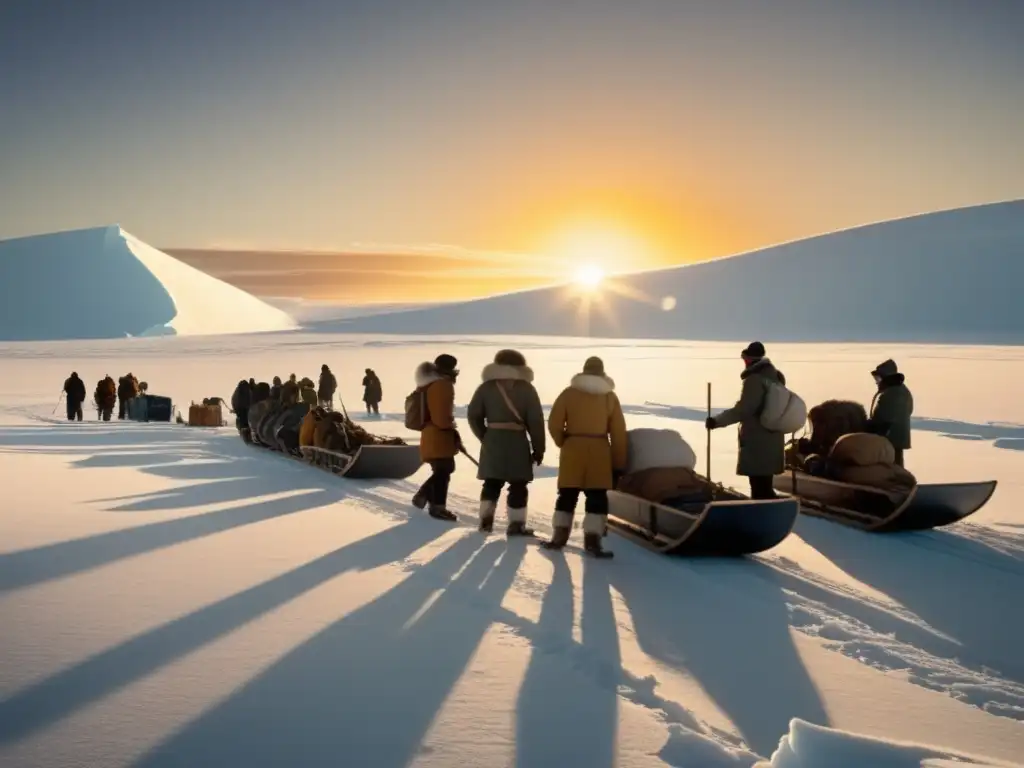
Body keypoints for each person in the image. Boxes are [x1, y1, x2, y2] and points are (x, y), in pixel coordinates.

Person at [543, 356, 627, 557]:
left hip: (573, 449)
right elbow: (618, 434)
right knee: (597, 497)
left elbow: (554, 423)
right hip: (599, 451)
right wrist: (618, 463)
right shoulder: (609, 397)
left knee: (567, 495)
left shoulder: (569, 394)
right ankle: (593, 542)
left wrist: (563, 441)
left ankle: (558, 538)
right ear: (602, 372)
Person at [466, 349, 546, 536]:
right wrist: (539, 448)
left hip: (493, 440)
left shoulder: (485, 388)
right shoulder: (527, 389)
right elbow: (536, 420)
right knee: (519, 485)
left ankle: (485, 522)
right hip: (518, 441)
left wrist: (485, 435)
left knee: (491, 483)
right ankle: (516, 525)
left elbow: (473, 415)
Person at [706, 341, 786, 499]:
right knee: (765, 485)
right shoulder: (775, 376)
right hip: (773, 438)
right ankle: (769, 515)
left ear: (749, 360)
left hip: (758, 441)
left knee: (759, 489)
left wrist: (716, 421)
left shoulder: (754, 380)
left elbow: (743, 410)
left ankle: (762, 519)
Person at [411, 354, 461, 521]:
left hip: (430, 433)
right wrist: (450, 427)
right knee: (444, 469)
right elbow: (441, 417)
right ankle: (434, 505)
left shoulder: (428, 383)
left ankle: (430, 501)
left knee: (442, 469)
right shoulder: (442, 385)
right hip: (438, 434)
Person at [865, 359, 913, 467]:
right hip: (894, 439)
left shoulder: (893, 393)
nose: (877, 382)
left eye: (878, 378)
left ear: (886, 378)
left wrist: (867, 427)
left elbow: (882, 418)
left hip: (890, 439)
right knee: (896, 465)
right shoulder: (900, 390)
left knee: (891, 468)